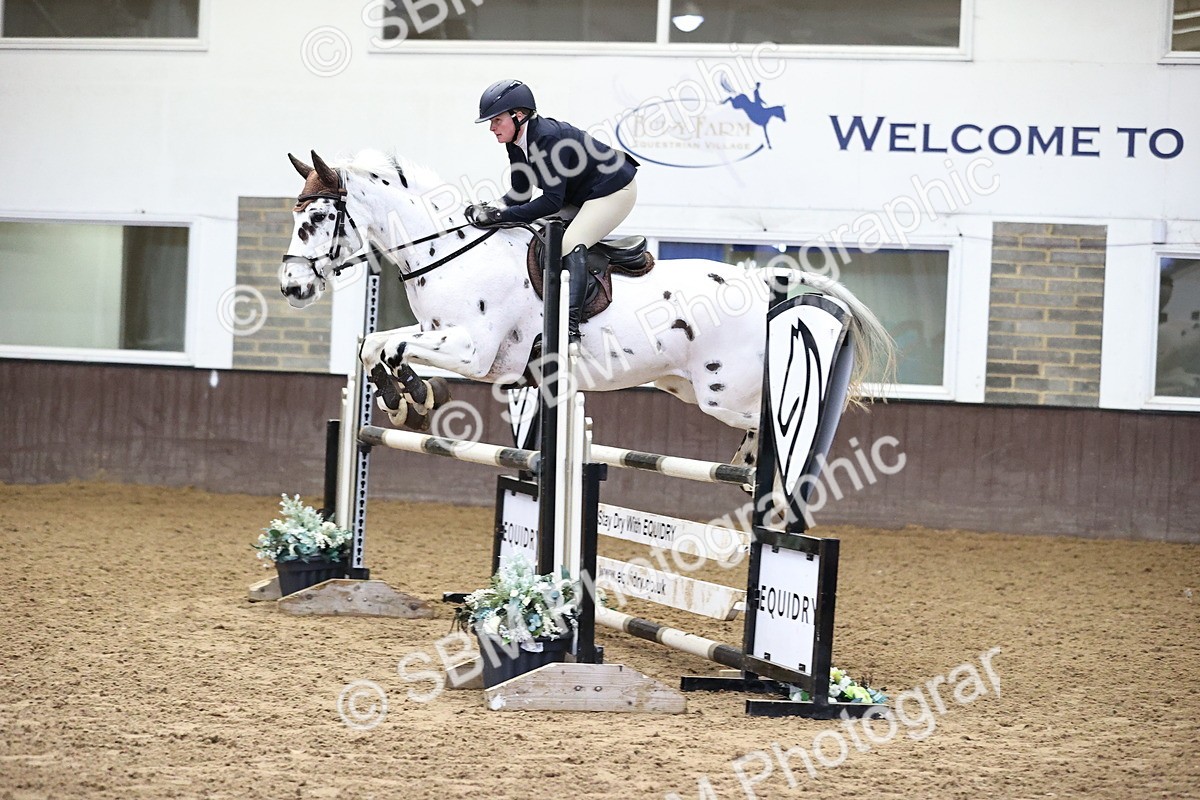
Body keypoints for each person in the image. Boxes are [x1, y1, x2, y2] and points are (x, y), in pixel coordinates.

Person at [467, 79, 639, 341]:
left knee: (569, 243)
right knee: (535, 233)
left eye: (496, 120)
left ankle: (570, 328)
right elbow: (521, 192)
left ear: (519, 115)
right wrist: (492, 208)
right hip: (582, 194)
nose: (491, 128)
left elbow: (550, 203)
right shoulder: (515, 141)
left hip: (614, 190)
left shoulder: (547, 139)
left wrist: (502, 217)